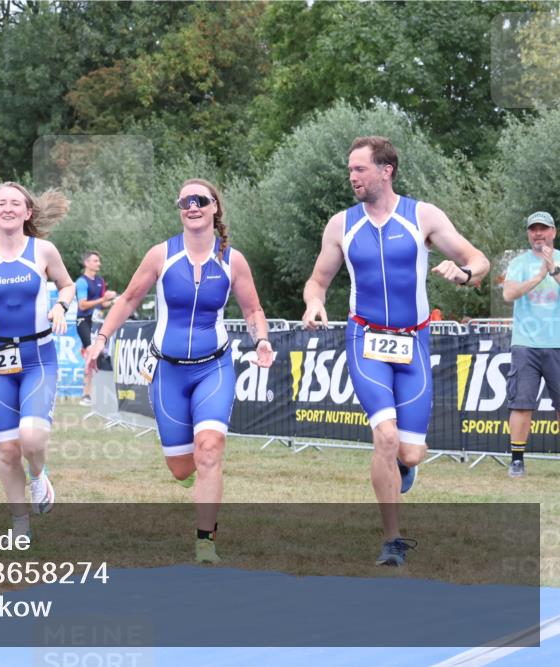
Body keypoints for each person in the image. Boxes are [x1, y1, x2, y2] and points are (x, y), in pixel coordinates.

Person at [302, 136, 489, 566]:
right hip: (364, 339)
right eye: (349, 170)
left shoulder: (421, 216)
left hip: (414, 342)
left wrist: (462, 274)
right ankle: (392, 540)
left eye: (360, 169)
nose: (352, 177)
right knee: (384, 436)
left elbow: (478, 260)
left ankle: (405, 467)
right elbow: (318, 281)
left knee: (409, 452)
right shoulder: (341, 225)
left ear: (386, 171)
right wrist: (314, 303)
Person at [85, 178, 274, 564]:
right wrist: (101, 338)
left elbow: (253, 310)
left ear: (215, 208)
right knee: (180, 467)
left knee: (209, 450)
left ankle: (206, 540)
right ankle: (192, 477)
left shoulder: (232, 260)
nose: (192, 206)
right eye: (185, 201)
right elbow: (130, 298)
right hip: (168, 372)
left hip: (213, 369)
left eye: (200, 200)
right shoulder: (161, 255)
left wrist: (262, 341)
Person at [0, 181, 76, 539]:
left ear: (27, 212)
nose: (7, 208)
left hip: (38, 357)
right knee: (8, 450)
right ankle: (20, 524)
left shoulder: (44, 251)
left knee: (32, 440)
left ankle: (39, 476)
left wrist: (60, 305)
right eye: (0, 203)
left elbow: (67, 285)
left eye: (14, 203)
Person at [501, 211, 560, 478]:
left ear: (553, 232)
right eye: (533, 229)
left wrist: (554, 271)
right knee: (521, 404)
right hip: (525, 344)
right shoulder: (518, 263)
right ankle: (517, 460)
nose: (538, 233)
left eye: (543, 229)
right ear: (528, 234)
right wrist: (538, 277)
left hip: (557, 343)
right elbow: (508, 293)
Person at [74, 250, 116, 406]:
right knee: (91, 355)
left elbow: (102, 304)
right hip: (83, 322)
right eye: (95, 261)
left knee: (98, 357)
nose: (99, 263)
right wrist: (103, 299)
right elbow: (82, 305)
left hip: (97, 322)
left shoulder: (100, 280)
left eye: (98, 261)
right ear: (87, 263)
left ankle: (96, 394)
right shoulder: (81, 282)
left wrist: (112, 300)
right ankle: (86, 395)